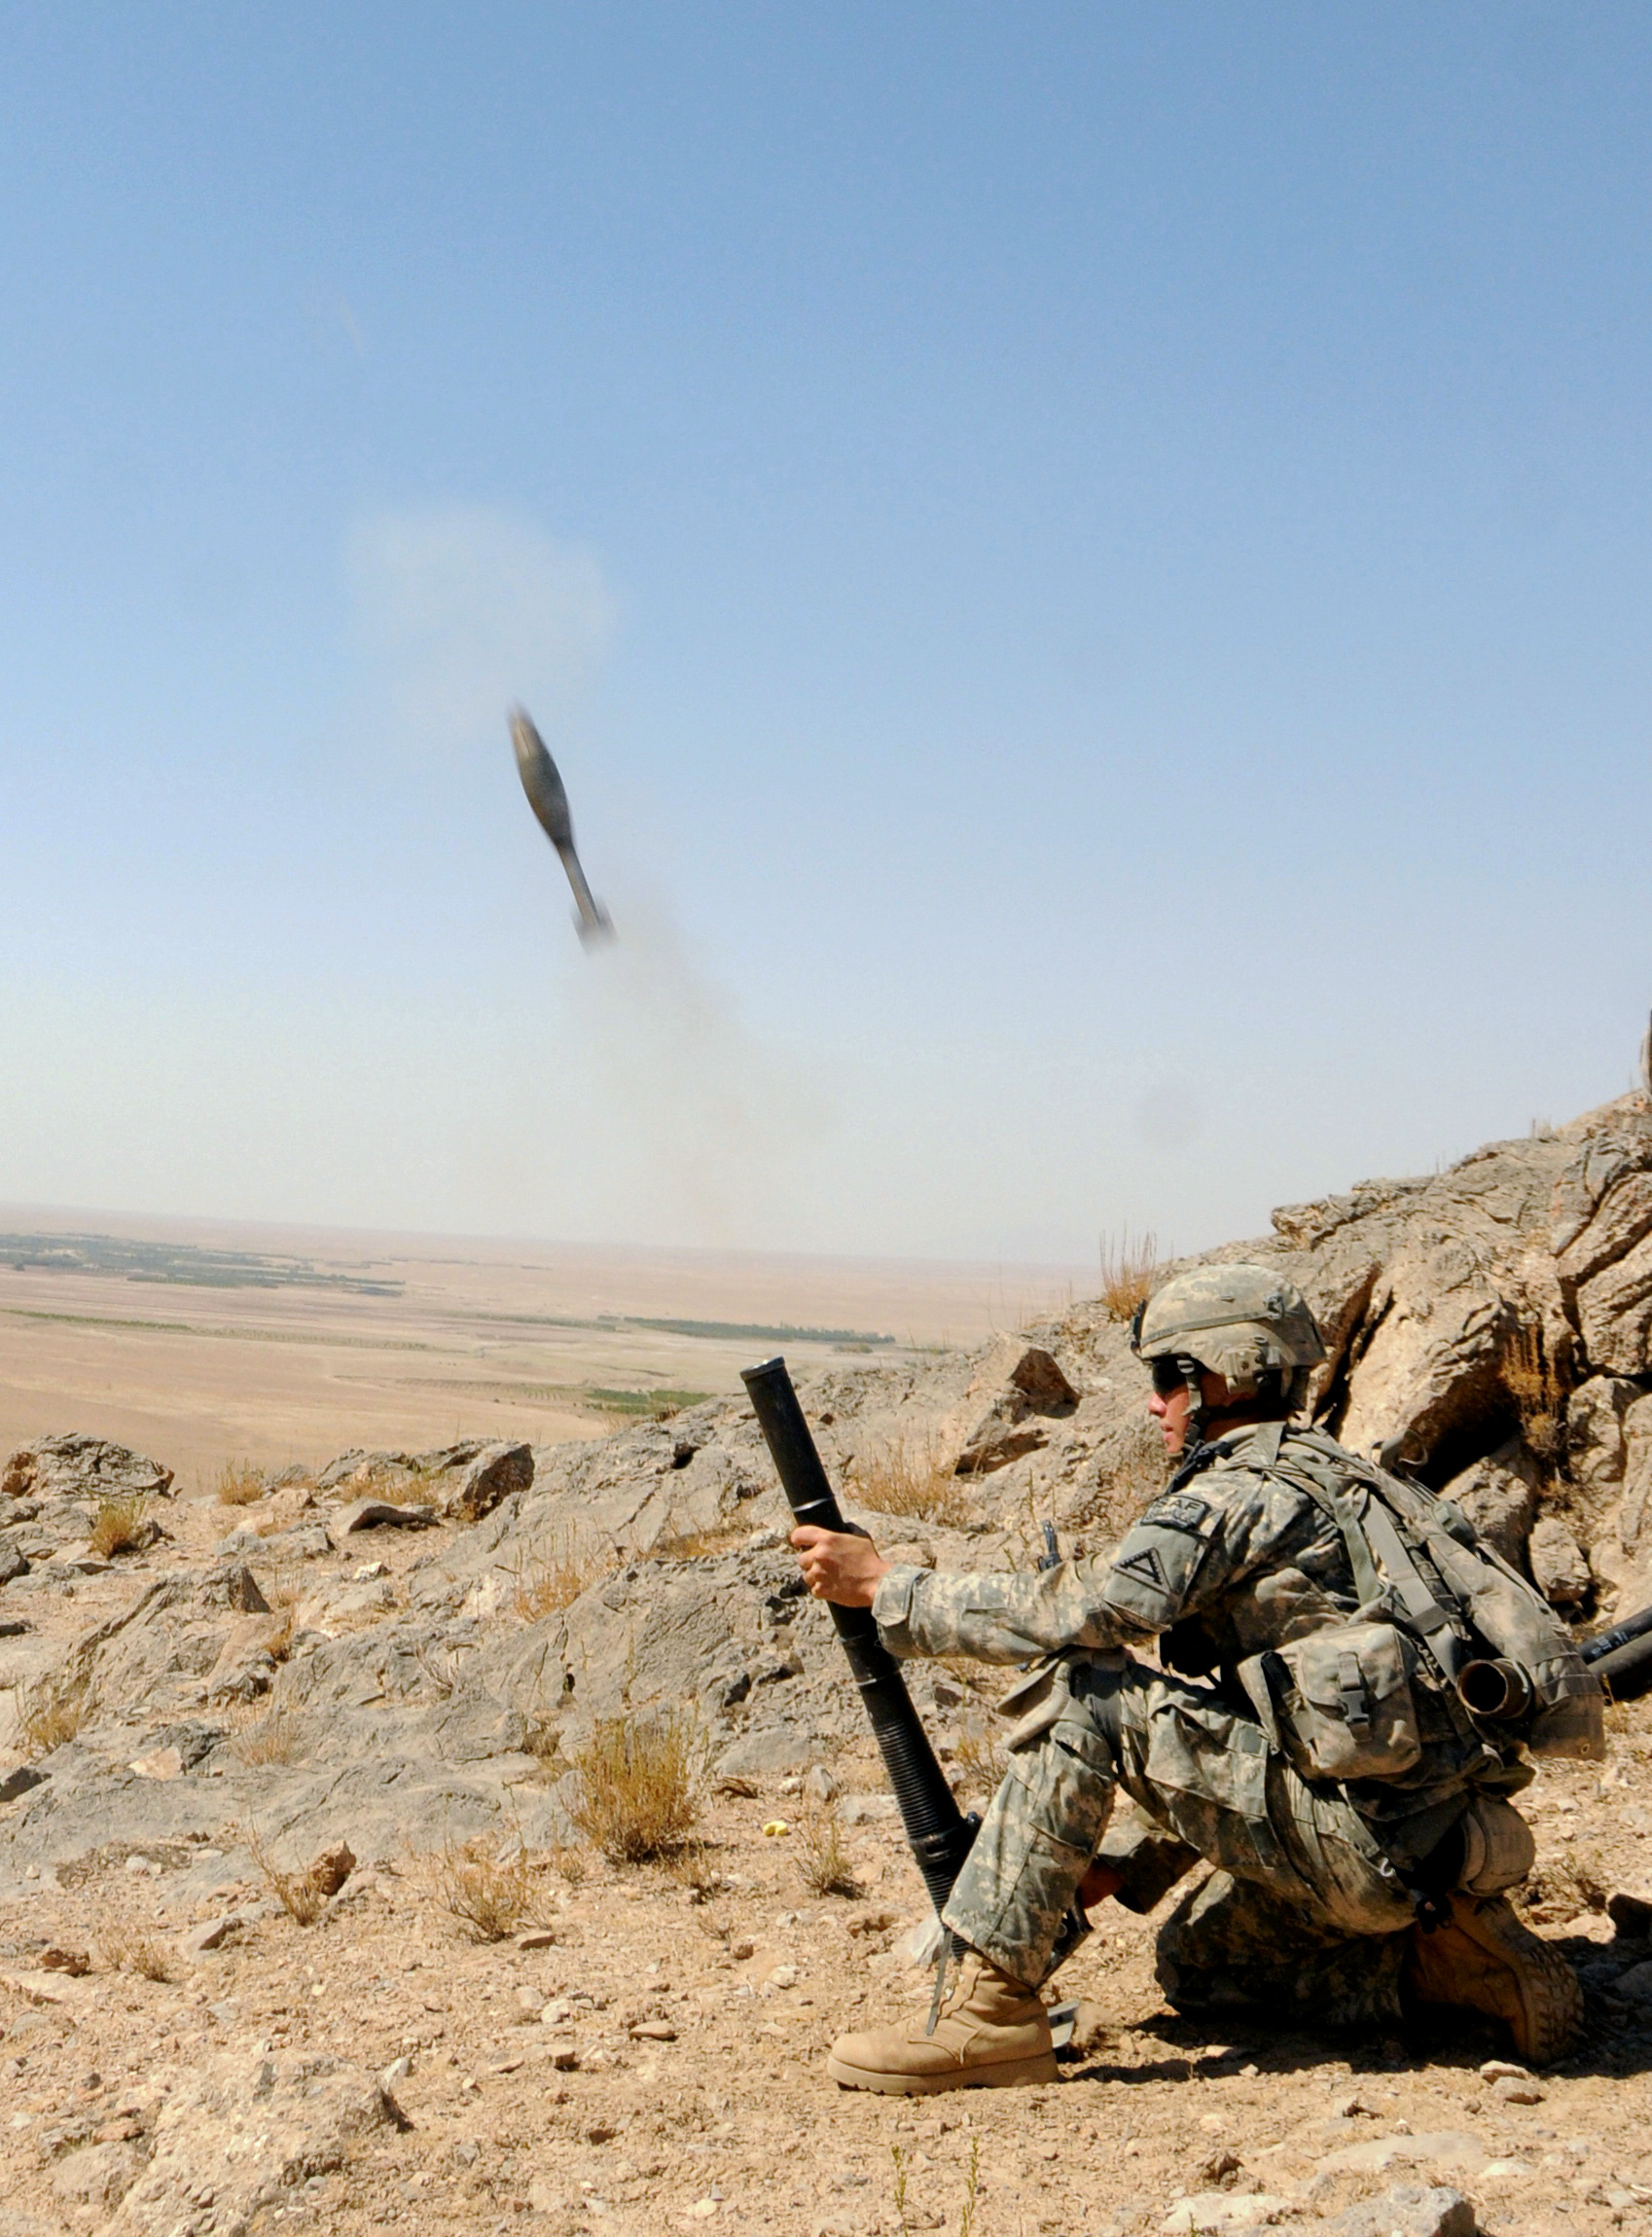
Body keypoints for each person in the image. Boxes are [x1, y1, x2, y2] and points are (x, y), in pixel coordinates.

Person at [790, 1265, 1596, 2095]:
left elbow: (1086, 1609)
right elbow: (1260, 1715)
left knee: (1085, 1685)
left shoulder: (1236, 1491)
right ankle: (1443, 1970)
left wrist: (888, 1587)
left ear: (1228, 1374)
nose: (1155, 1403)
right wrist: (1123, 1867)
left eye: (1168, 1378)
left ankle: (993, 2016)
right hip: (1446, 1843)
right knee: (1195, 1964)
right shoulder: (1356, 1478)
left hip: (1359, 1847)